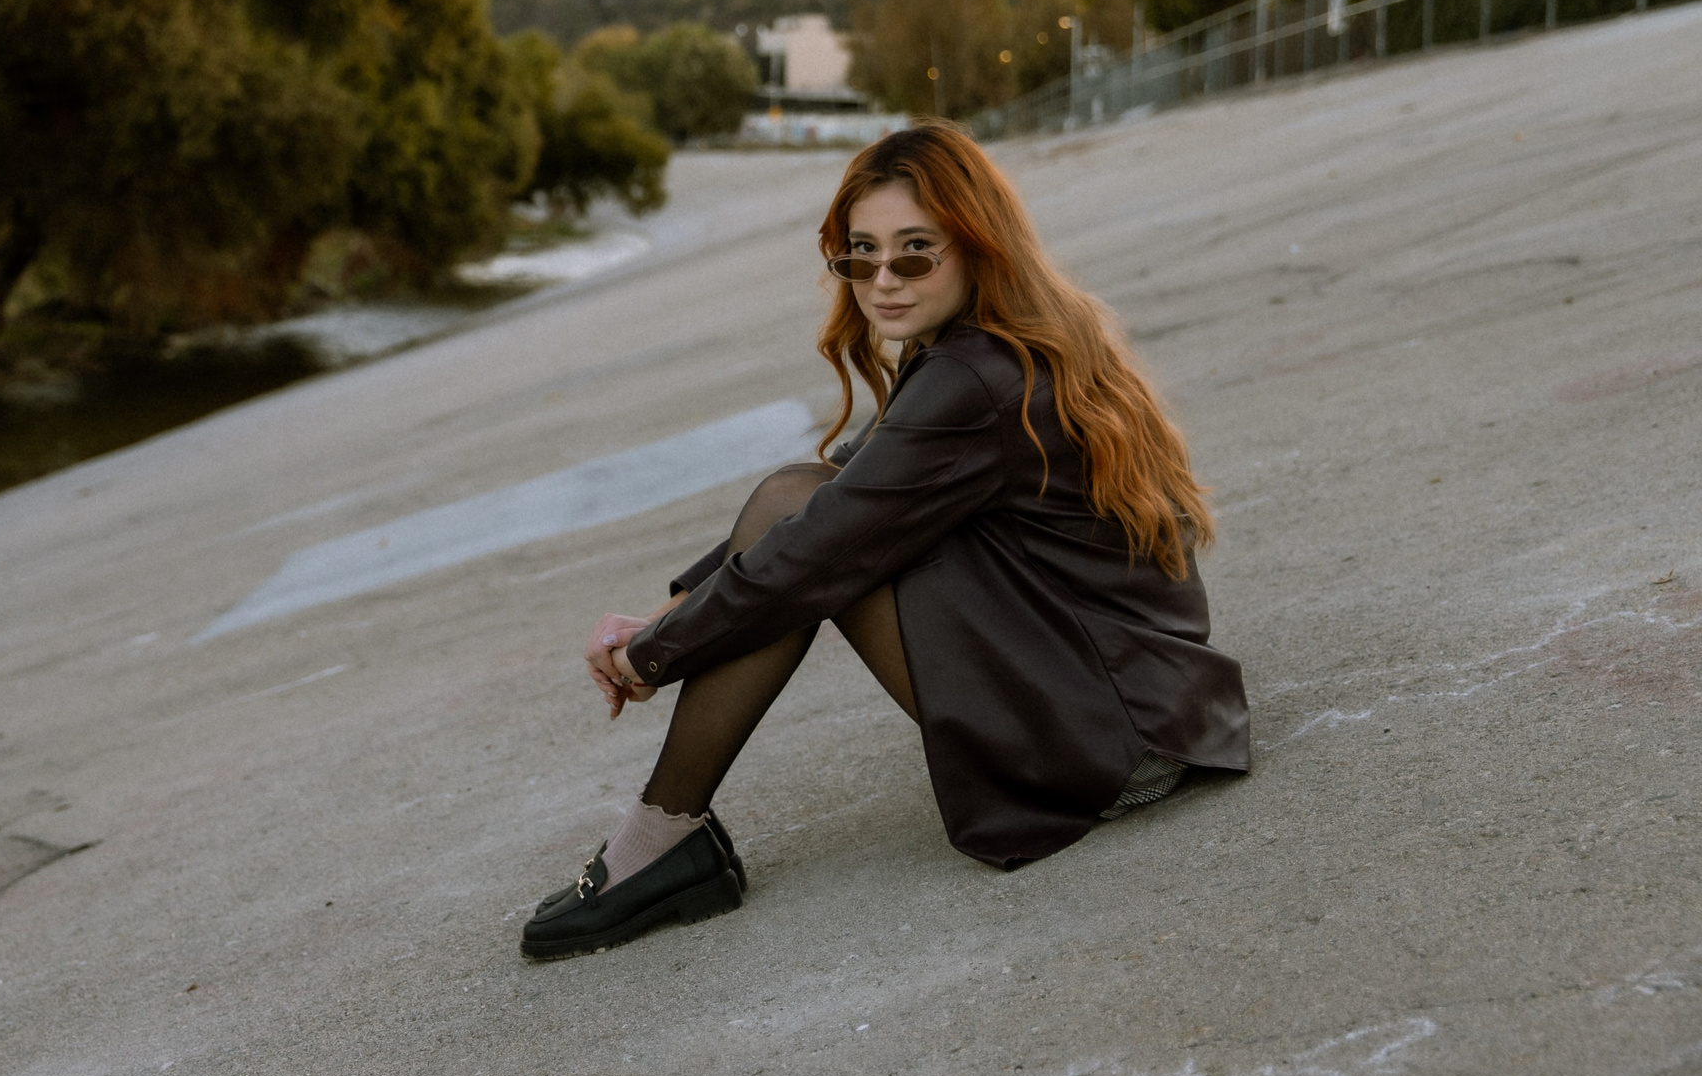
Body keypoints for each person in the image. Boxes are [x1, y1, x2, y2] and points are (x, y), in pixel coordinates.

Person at [521, 120, 1250, 961]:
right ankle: (664, 838)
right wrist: (659, 620)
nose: (882, 281)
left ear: (977, 243)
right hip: (1132, 698)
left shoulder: (973, 377)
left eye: (914, 252)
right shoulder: (994, 338)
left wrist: (652, 658)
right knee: (811, 504)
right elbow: (851, 491)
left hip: (1109, 742)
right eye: (858, 255)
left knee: (808, 520)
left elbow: (816, 544)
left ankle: (659, 842)